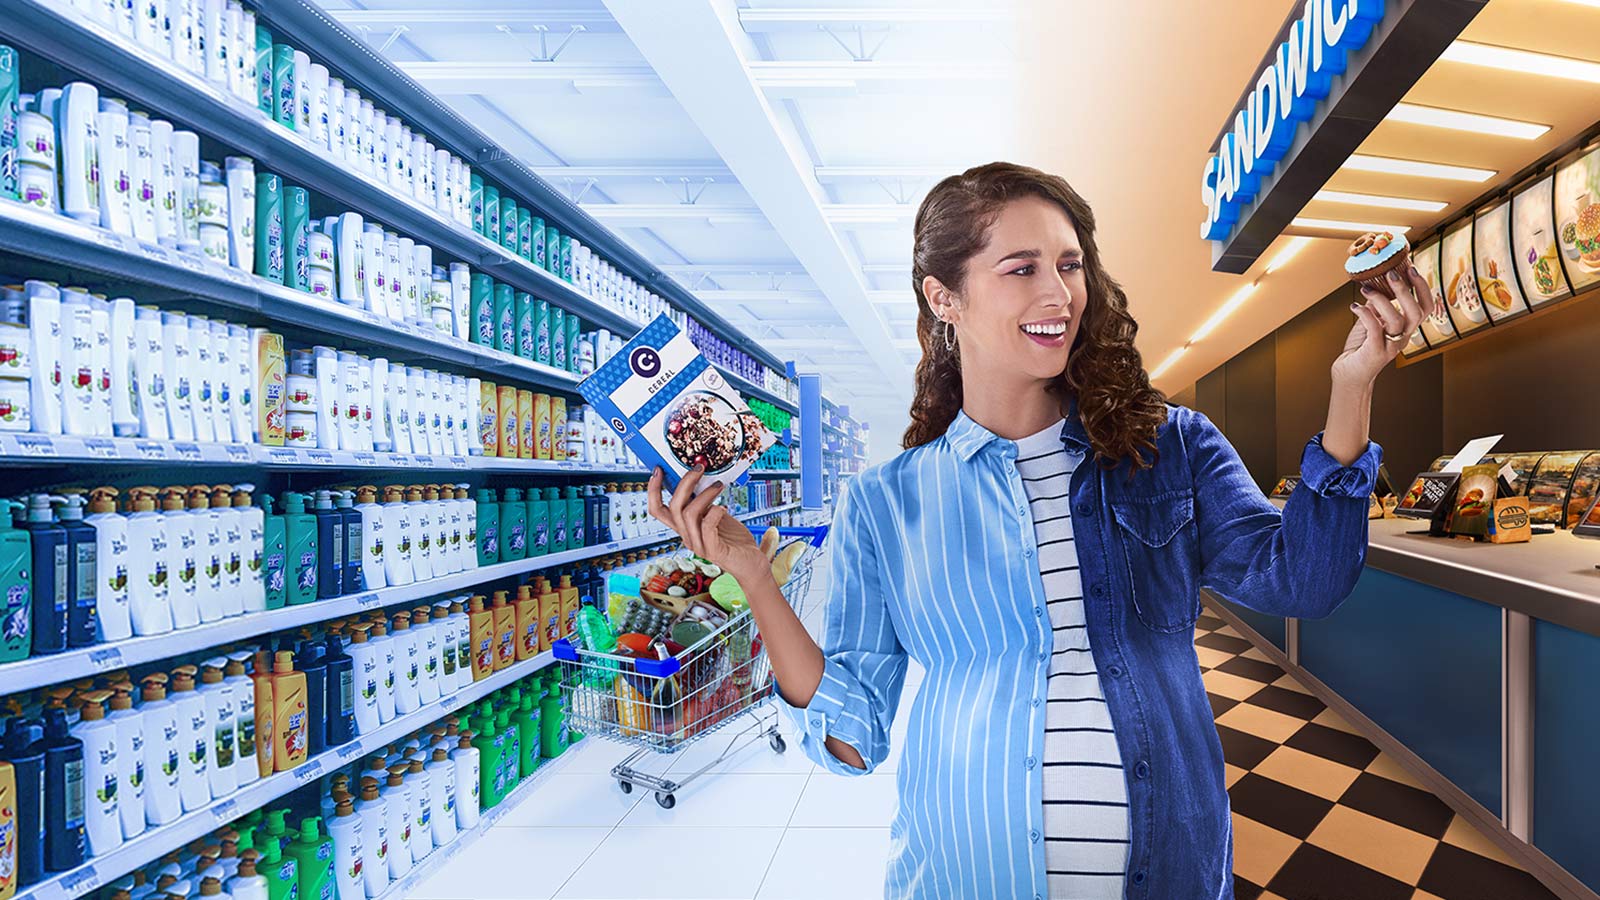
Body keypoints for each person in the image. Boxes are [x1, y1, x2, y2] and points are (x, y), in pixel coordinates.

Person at [646, 162, 1440, 900]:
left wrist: (1351, 388)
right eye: (1022, 268)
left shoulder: (1169, 448)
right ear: (943, 298)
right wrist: (754, 578)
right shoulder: (887, 502)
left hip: (1172, 866)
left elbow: (1303, 580)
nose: (1059, 292)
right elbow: (853, 737)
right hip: (964, 873)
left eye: (1069, 265)